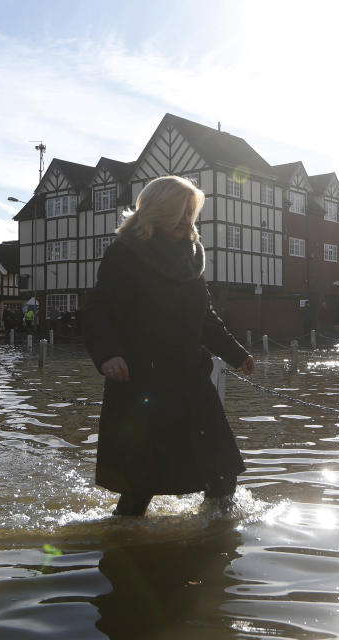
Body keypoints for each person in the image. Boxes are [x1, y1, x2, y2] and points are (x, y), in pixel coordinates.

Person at [84, 175, 255, 517]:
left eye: (190, 212)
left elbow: (204, 317)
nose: (185, 220)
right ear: (155, 211)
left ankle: (215, 540)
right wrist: (108, 355)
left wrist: (237, 354)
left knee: (222, 472)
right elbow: (99, 311)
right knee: (141, 485)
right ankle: (123, 543)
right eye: (178, 211)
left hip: (190, 379)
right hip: (141, 382)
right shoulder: (125, 252)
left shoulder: (192, 256)